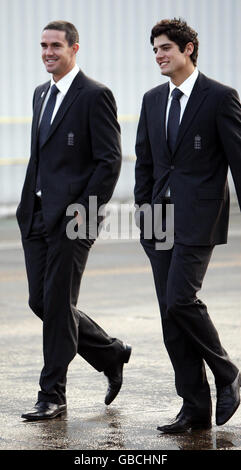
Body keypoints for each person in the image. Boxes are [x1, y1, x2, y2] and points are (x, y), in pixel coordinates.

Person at [17, 20, 131, 421]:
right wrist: (25, 205)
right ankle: (110, 352)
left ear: (74, 49)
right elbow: (40, 157)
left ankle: (53, 394)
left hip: (72, 219)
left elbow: (109, 161)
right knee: (42, 301)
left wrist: (83, 211)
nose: (48, 52)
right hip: (35, 216)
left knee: (58, 304)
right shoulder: (40, 95)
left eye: (55, 46)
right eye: (43, 45)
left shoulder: (94, 96)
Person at [134, 18, 241, 433]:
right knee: (169, 315)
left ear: (189, 48)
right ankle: (194, 406)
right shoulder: (152, 99)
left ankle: (227, 371)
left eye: (165, 48)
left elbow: (237, 160)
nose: (159, 56)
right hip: (158, 219)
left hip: (199, 216)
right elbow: (145, 161)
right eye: (155, 49)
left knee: (181, 299)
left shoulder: (219, 97)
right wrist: (144, 212)